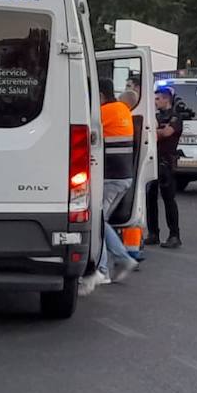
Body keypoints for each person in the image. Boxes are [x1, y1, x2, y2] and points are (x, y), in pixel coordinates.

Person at [80, 79, 138, 296]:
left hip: (110, 178)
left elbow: (83, 126)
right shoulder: (122, 109)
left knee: (97, 220)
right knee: (101, 220)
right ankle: (120, 260)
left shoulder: (105, 112)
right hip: (124, 176)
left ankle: (104, 268)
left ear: (100, 96)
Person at [146, 86, 182, 249]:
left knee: (168, 200)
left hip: (166, 162)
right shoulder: (154, 116)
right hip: (153, 160)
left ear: (166, 99)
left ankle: (174, 235)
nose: (155, 102)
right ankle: (153, 233)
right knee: (150, 199)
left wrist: (154, 131)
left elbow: (166, 133)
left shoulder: (175, 117)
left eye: (158, 98)